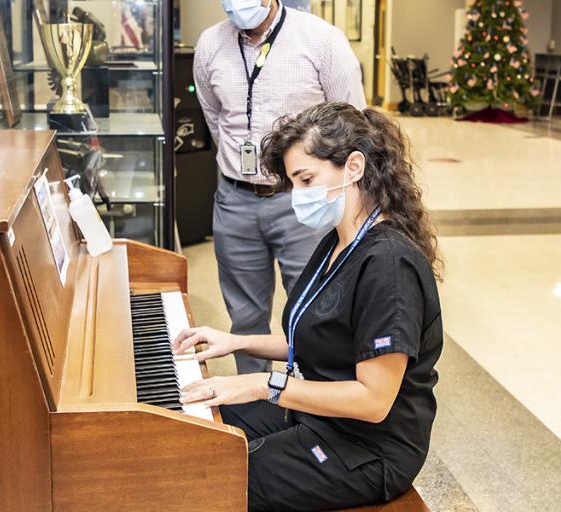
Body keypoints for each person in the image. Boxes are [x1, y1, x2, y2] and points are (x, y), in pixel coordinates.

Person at [174, 103, 443, 511]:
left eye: (306, 179)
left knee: (210, 478)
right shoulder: (340, 240)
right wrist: (235, 341)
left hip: (369, 447)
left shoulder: (388, 264)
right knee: (191, 426)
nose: (297, 196)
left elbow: (373, 402)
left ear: (354, 167)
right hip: (316, 414)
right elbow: (321, 338)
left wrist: (265, 384)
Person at [194, 0, 366, 375]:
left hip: (303, 200)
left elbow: (355, 126)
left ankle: (316, 407)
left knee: (317, 314)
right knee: (244, 317)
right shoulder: (210, 45)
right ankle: (255, 411)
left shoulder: (321, 41)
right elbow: (214, 118)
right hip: (234, 200)